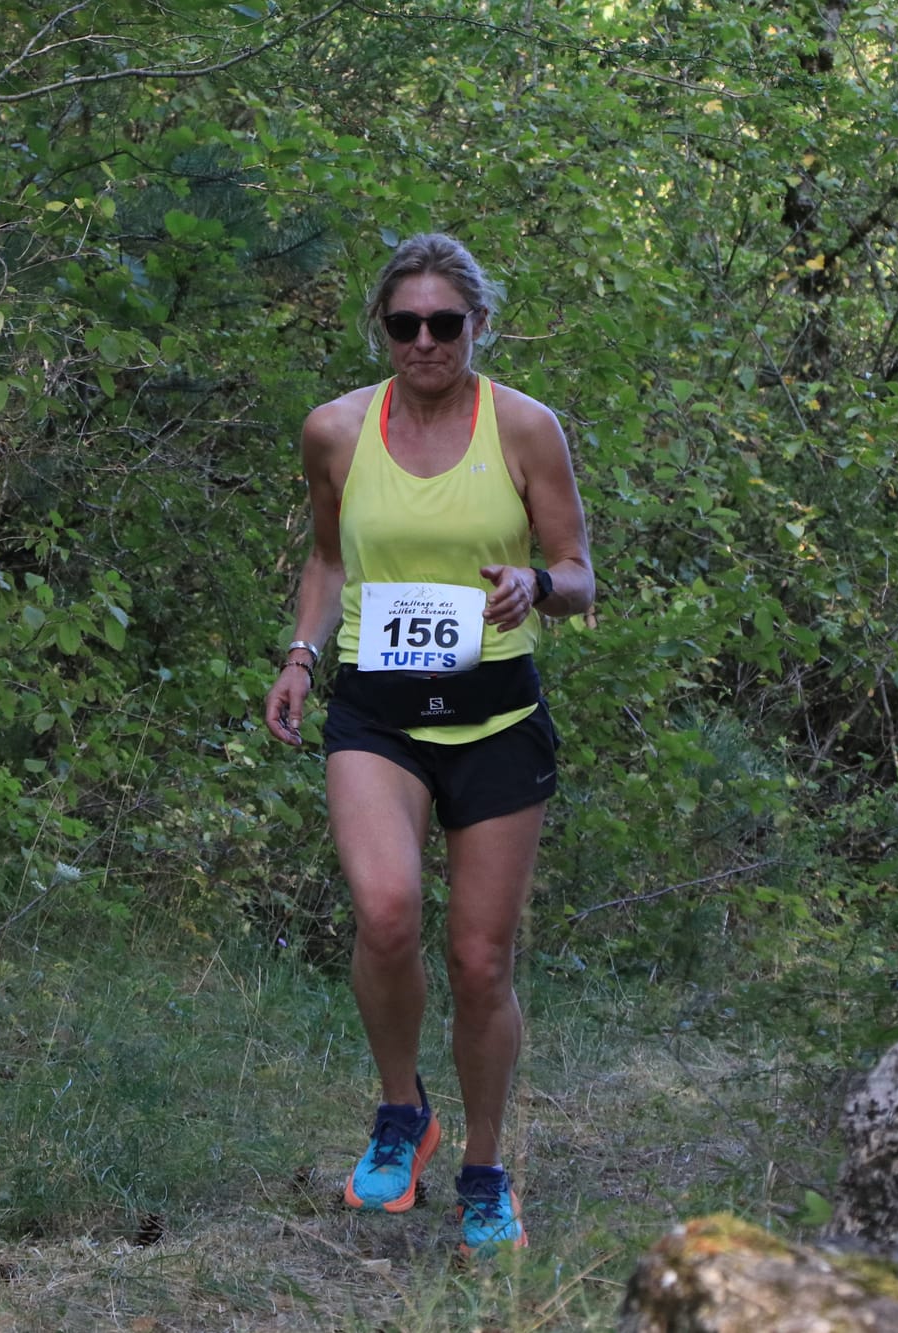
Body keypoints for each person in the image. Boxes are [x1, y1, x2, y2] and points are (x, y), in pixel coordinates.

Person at [263, 233, 593, 1256]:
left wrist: (534, 585)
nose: (422, 341)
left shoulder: (526, 429)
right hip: (375, 713)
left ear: (476, 327)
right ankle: (402, 1108)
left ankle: (485, 1168)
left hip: (494, 717)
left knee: (480, 959)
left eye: (442, 324)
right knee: (387, 910)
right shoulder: (335, 430)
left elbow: (579, 570)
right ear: (382, 330)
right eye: (402, 324)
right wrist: (299, 655)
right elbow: (326, 559)